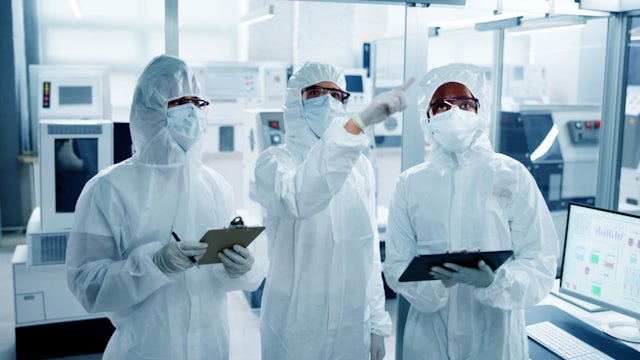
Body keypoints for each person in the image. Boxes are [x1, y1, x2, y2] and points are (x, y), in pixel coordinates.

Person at [66, 54, 264, 360]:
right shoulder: (108, 190)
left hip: (212, 347)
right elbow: (87, 285)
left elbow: (225, 279)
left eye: (198, 103)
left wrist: (241, 268)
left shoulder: (215, 186)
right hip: (146, 349)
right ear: (151, 111)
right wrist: (154, 264)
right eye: (180, 102)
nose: (194, 112)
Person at [383, 63, 558, 359]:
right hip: (429, 340)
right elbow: (397, 266)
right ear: (427, 117)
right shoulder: (411, 183)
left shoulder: (510, 175)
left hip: (495, 340)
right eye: (441, 106)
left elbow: (540, 261)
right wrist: (437, 284)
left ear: (481, 112)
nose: (454, 113)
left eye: (465, 104)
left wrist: (495, 282)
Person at [254, 62, 413, 360]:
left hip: (351, 324)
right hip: (295, 329)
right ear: (294, 100)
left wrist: (377, 321)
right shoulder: (274, 163)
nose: (328, 101)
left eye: (337, 94)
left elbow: (368, 252)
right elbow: (300, 198)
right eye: (315, 92)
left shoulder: (361, 167)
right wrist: (356, 125)